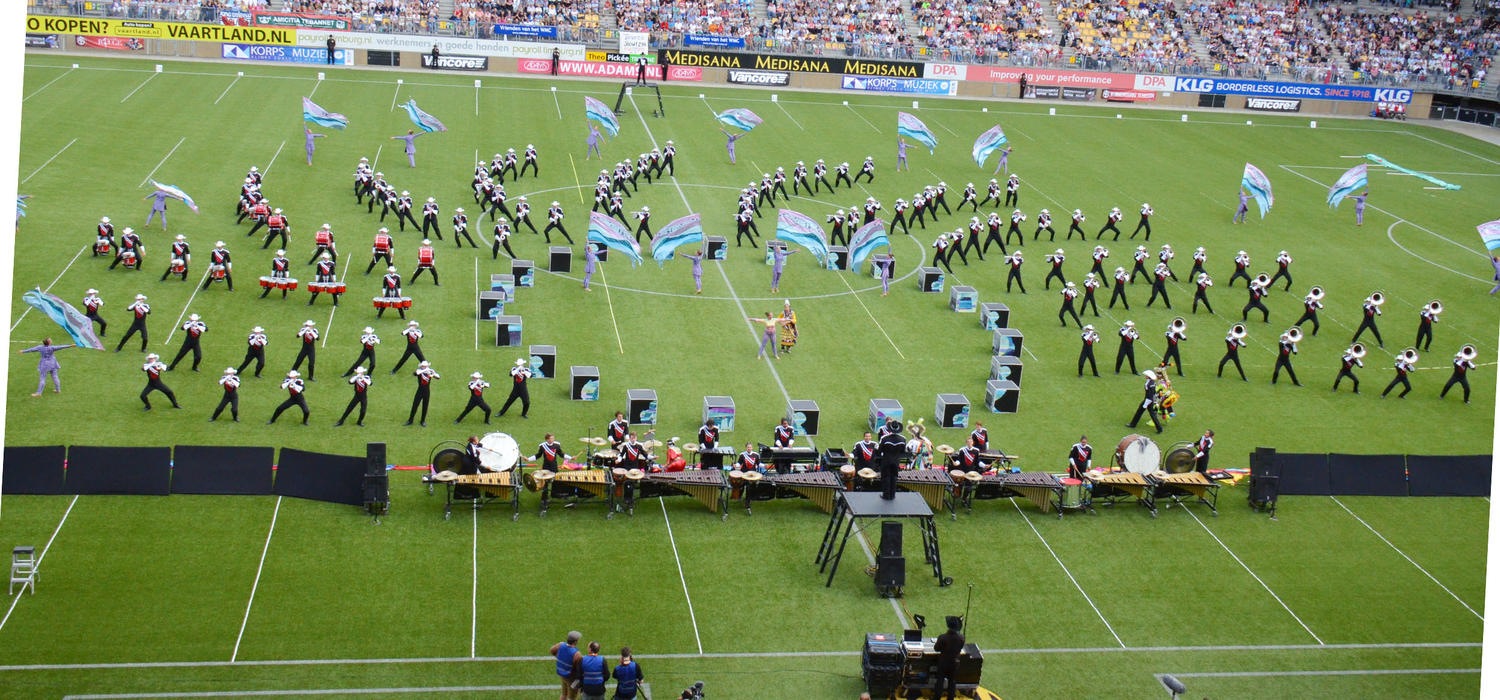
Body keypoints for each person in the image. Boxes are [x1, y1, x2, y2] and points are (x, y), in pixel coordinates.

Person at [933, 616, 966, 700]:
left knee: (940, 681)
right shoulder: (961, 637)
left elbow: (936, 648)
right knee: (952, 682)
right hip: (955, 663)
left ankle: (937, 698)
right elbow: (961, 646)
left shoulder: (943, 637)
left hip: (943, 663)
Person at [877, 420, 905, 500]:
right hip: (896, 461)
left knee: (886, 477)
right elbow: (903, 451)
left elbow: (880, 450)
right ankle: (892, 495)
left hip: (886, 461)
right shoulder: (902, 439)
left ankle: (886, 495)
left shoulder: (884, 438)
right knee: (894, 477)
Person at [405, 360, 439, 426]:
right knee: (415, 405)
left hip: (427, 391)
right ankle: (410, 420)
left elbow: (438, 377)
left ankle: (422, 421)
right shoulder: (419, 371)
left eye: (425, 366)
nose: (423, 367)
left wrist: (432, 374)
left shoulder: (430, 371)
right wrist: (424, 371)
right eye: (423, 366)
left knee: (425, 406)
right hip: (419, 391)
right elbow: (415, 373)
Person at [550, 631, 582, 700]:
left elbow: (552, 650)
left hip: (562, 675)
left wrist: (560, 658)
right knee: (572, 697)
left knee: (564, 694)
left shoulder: (560, 644)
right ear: (575, 641)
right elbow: (580, 669)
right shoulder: (577, 654)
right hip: (572, 678)